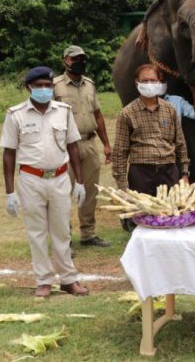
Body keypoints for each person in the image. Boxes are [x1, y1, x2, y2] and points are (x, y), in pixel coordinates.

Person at [1, 66, 89, 298]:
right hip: (31, 179)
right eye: (38, 86)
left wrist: (79, 181)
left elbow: (72, 146)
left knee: (62, 232)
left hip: (60, 177)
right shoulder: (15, 114)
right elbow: (9, 153)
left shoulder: (64, 111)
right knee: (36, 232)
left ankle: (69, 280)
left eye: (48, 86)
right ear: (28, 87)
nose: (43, 90)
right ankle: (43, 281)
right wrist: (10, 192)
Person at [112, 64, 189, 231]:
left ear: (159, 82)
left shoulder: (169, 110)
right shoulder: (127, 113)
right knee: (143, 221)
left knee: (171, 216)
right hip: (142, 174)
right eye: (144, 80)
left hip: (169, 172)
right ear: (137, 83)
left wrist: (184, 172)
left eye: (153, 80)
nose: (149, 84)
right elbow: (119, 152)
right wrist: (122, 186)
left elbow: (180, 143)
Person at [52, 45, 112, 248]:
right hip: (65, 147)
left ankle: (88, 234)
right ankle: (64, 239)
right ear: (65, 60)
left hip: (89, 143)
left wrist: (106, 144)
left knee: (90, 191)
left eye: (82, 58)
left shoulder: (90, 85)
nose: (79, 62)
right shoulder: (55, 86)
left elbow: (98, 115)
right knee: (63, 193)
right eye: (74, 58)